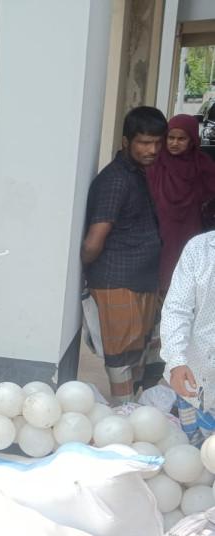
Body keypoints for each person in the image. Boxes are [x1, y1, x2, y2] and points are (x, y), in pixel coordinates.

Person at [82, 106, 168, 404]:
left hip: (141, 279)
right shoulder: (115, 180)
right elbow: (94, 241)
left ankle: (137, 412)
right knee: (121, 356)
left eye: (157, 142)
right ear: (125, 141)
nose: (152, 150)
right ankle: (123, 415)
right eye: (144, 142)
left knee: (140, 352)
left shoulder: (137, 173)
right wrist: (85, 275)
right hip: (117, 280)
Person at [147, 114, 215, 294]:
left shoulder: (203, 165)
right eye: (171, 137)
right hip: (159, 229)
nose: (174, 143)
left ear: (192, 140)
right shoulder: (156, 163)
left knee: (185, 276)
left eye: (181, 139)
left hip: (190, 228)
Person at [160, 229, 215, 445]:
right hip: (197, 377)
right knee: (193, 455)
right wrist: (176, 361)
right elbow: (177, 308)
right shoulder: (199, 249)